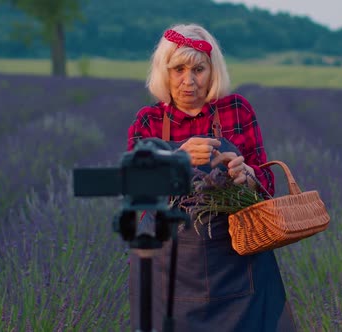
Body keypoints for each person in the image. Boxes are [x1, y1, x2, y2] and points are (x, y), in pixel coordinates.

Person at [126, 23, 297, 332]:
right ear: (165, 71)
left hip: (236, 262)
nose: (188, 81)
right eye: (178, 69)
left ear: (212, 70)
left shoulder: (237, 110)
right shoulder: (148, 121)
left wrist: (246, 175)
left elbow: (267, 185)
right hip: (170, 268)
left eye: (198, 69)